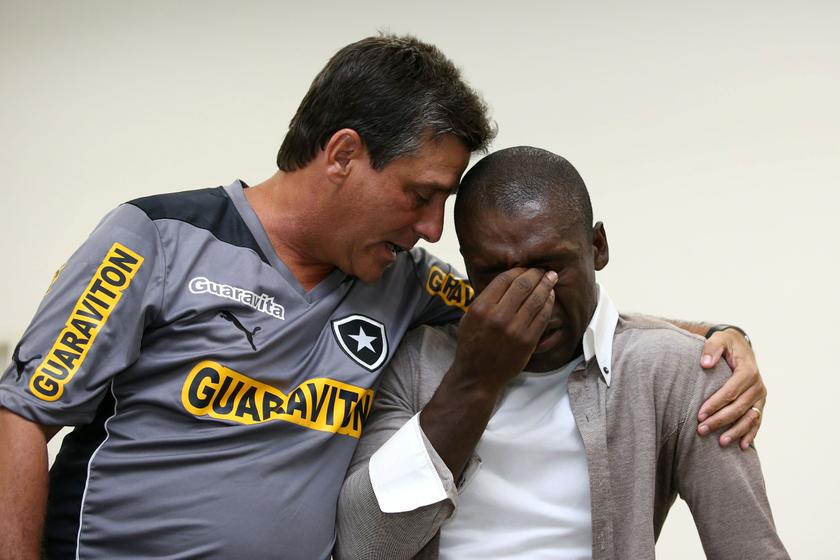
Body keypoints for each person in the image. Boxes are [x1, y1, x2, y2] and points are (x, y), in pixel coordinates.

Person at [0, 36, 761, 560]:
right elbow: (22, 416)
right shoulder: (156, 238)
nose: (432, 227)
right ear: (342, 155)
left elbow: (550, 308)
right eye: (420, 195)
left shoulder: (404, 281)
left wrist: (717, 334)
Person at [335, 147, 788, 559]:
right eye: (494, 274)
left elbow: (750, 549)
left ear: (598, 248)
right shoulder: (416, 363)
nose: (527, 297)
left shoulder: (680, 373)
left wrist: (725, 333)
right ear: (468, 266)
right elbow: (364, 548)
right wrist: (474, 379)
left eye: (549, 267)